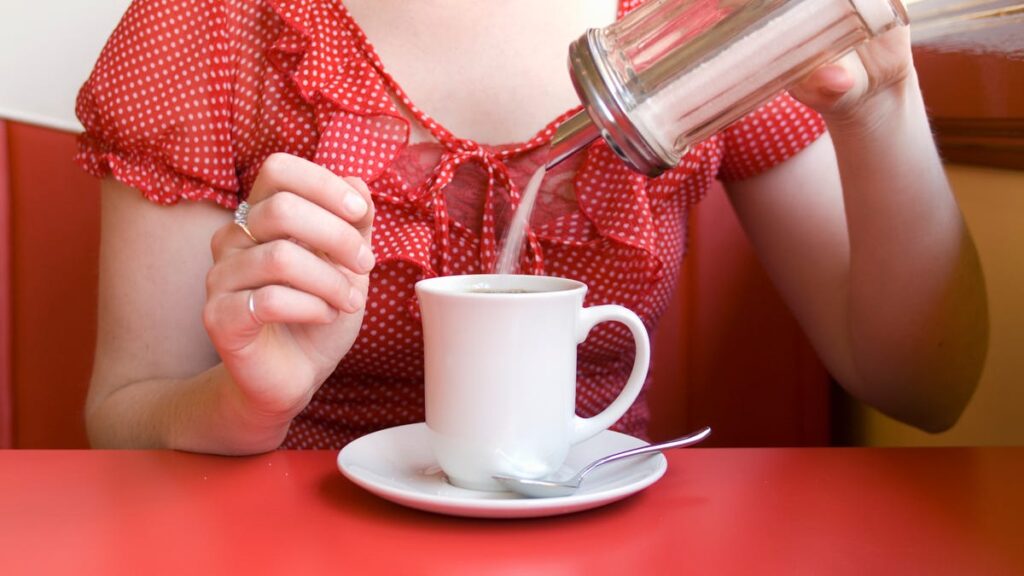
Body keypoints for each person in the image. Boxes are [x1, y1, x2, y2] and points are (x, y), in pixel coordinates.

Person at [76, 0, 988, 454]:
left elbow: (923, 384)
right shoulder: (209, 26)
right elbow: (121, 416)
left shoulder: (700, 23)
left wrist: (881, 99)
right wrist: (247, 404)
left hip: (600, 541)